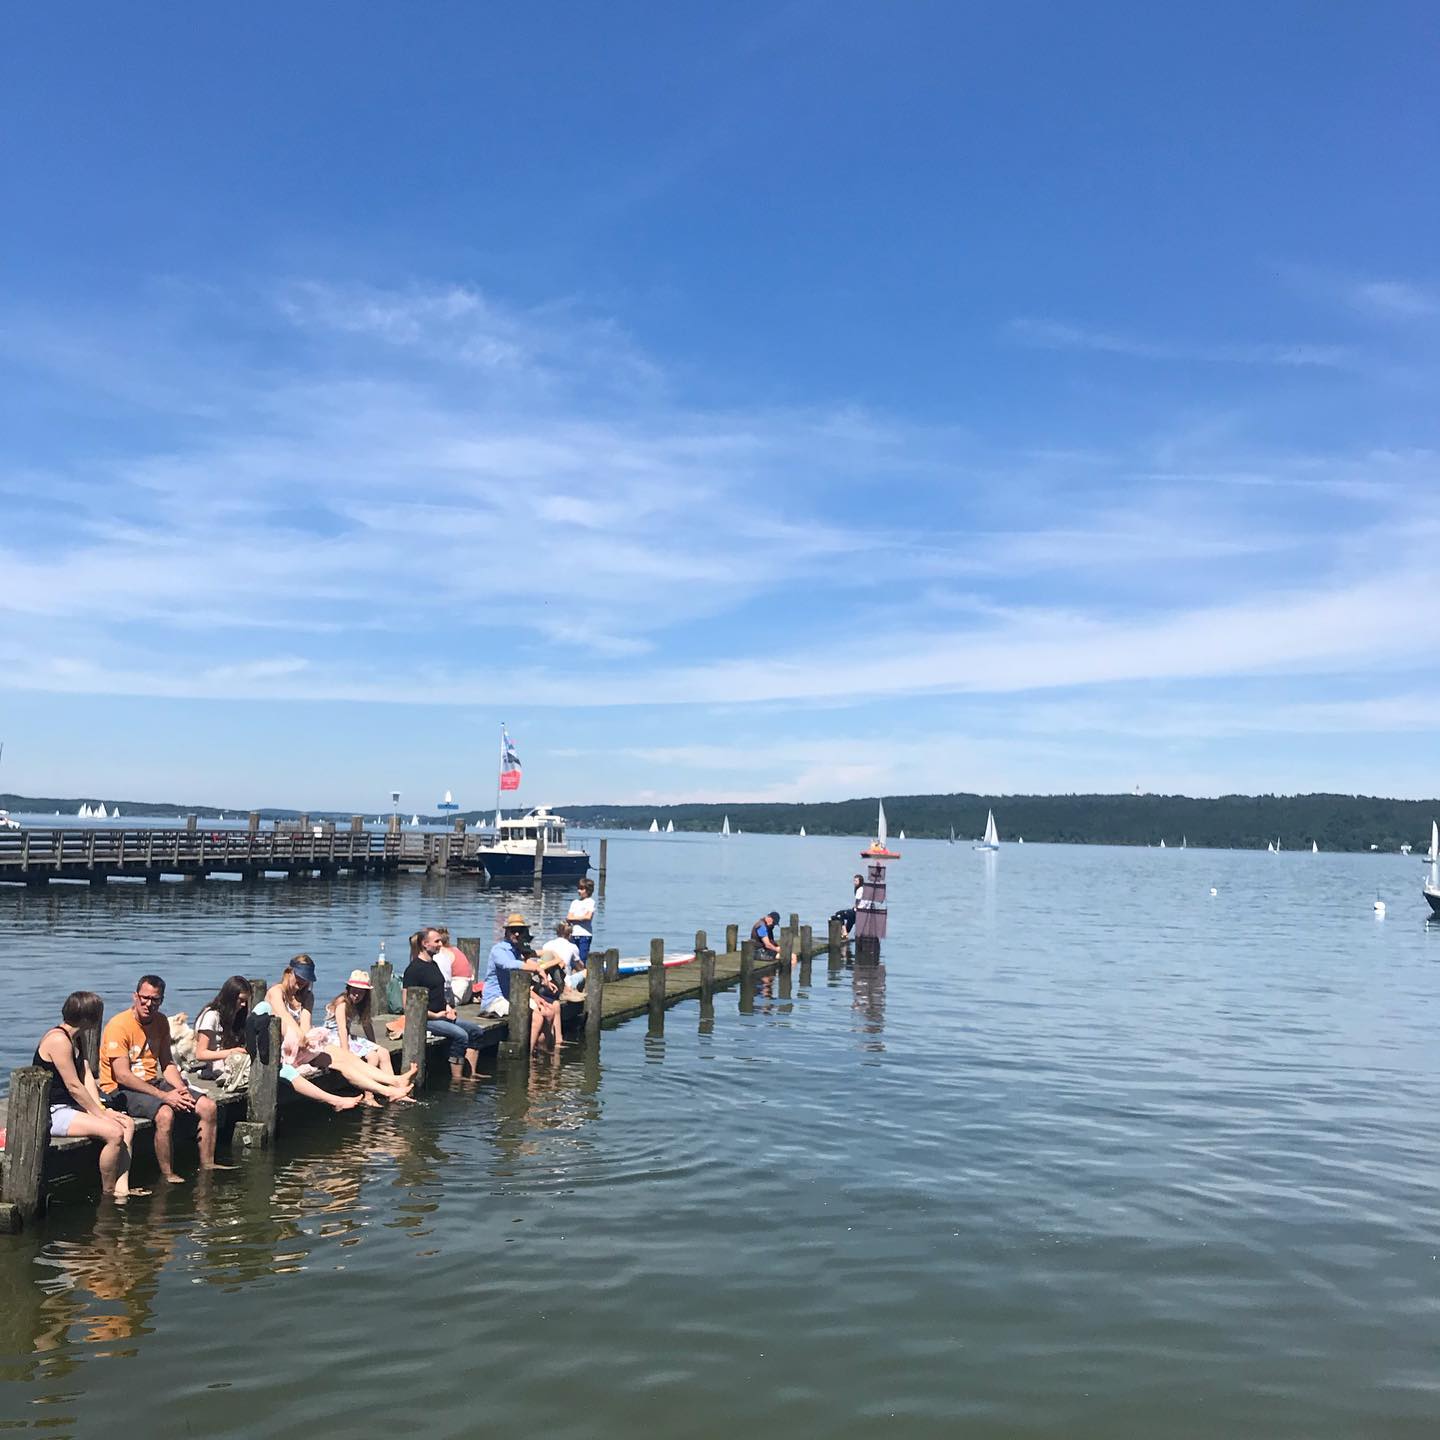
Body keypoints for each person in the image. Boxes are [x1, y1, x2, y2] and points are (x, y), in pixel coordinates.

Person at [99, 973, 226, 1182]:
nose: (148, 1004)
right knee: (165, 1114)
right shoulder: (118, 1026)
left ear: (161, 1000)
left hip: (151, 1082)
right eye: (144, 998)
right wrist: (165, 1096)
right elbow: (122, 1075)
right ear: (135, 996)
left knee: (208, 1107)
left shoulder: (160, 1022)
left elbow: (167, 1063)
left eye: (154, 999)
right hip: (120, 1089)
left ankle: (208, 1164)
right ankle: (168, 1174)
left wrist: (180, 1089)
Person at [34, 991, 144, 1200]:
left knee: (127, 1124)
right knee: (114, 1133)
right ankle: (108, 1193)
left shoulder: (77, 1038)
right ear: (88, 1017)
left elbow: (85, 1076)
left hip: (71, 1107)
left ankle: (122, 1188)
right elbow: (74, 1086)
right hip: (52, 1111)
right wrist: (100, 1115)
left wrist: (101, 1109)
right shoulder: (58, 1040)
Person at [261, 956, 415, 1105]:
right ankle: (388, 1089)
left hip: (302, 1047)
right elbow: (284, 1015)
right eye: (299, 978)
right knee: (341, 1058)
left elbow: (305, 1025)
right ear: (289, 972)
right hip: (282, 1050)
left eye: (306, 980)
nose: (302, 983)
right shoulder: (276, 992)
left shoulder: (307, 996)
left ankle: (392, 1085)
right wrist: (301, 1036)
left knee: (347, 1061)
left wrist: (307, 1039)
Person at [406, 927, 488, 1080]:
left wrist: (448, 1008)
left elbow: (439, 994)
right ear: (425, 944)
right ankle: (457, 1078)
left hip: (442, 1015)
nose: (440, 944)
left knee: (476, 1031)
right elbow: (408, 1005)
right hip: (426, 1020)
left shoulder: (434, 965)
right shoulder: (414, 969)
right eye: (436, 941)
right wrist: (435, 1015)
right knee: (461, 1035)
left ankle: (471, 1073)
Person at [323, 970, 406, 1105]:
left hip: (347, 1035)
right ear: (348, 989)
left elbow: (367, 1024)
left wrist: (373, 1044)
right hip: (333, 1037)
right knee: (372, 1057)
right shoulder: (342, 1003)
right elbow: (342, 1029)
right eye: (354, 991)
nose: (357, 995)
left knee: (383, 1052)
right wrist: (346, 1052)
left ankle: (395, 1091)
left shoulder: (362, 1004)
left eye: (361, 992)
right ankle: (368, 1095)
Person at [480, 914, 559, 1045]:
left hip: (513, 997)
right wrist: (537, 969)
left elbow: (519, 982)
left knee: (549, 1011)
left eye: (520, 931)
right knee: (537, 1015)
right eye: (513, 930)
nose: (517, 934)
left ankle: (542, 1048)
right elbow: (508, 965)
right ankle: (528, 1052)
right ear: (506, 932)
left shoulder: (516, 950)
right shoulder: (499, 950)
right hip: (495, 1000)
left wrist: (536, 997)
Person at [193, 975, 252, 1082]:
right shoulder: (211, 1016)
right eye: (241, 1000)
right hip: (216, 1062)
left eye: (246, 1001)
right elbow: (200, 1054)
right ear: (231, 997)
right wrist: (231, 1052)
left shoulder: (236, 1015)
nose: (243, 1004)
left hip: (227, 1059)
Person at [435, 927, 474, 1004]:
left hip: (456, 992)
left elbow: (440, 977)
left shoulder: (442, 953)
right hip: (467, 992)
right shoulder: (455, 950)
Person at [566, 877, 596, 966]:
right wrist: (580, 918)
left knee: (582, 958)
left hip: (585, 934)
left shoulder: (590, 902)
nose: (579, 891)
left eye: (582, 889)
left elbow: (588, 917)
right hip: (574, 934)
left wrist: (574, 918)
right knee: (572, 959)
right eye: (579, 888)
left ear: (588, 890)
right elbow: (568, 917)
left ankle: (582, 972)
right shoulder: (575, 902)